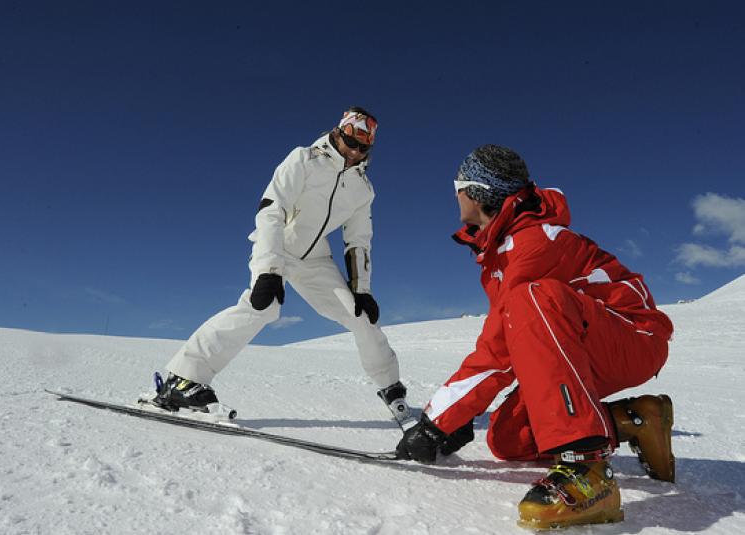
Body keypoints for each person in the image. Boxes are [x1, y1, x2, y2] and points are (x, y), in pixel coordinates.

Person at [395, 145, 675, 529]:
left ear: (476, 193)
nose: (454, 194)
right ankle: (634, 420)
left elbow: (499, 349)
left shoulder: (533, 244)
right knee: (509, 439)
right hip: (579, 342)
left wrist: (437, 422)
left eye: (457, 185)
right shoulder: (502, 250)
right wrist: (458, 416)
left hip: (633, 337)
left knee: (531, 299)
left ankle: (588, 471)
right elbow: (512, 342)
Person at [151, 107, 410, 423]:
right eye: (350, 141)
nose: (355, 151)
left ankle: (392, 391)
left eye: (363, 147)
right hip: (278, 245)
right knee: (263, 306)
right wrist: (268, 270)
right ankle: (184, 378)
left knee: (361, 316)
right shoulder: (304, 159)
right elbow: (271, 210)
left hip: (316, 258)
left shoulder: (363, 189)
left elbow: (358, 241)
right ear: (338, 132)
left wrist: (362, 290)